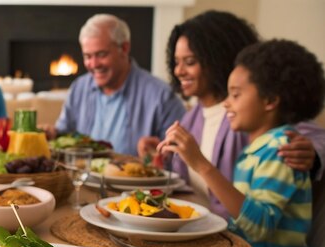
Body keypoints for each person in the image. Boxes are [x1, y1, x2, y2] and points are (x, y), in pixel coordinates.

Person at [158, 39, 325, 247]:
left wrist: (203, 165)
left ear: (270, 100)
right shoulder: (256, 150)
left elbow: (258, 226)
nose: (226, 102)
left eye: (235, 94)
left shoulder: (280, 150)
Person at [138, 11, 325, 219]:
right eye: (176, 62)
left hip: (239, 237)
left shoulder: (250, 113)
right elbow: (188, 183)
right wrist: (160, 158)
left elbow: (315, 136)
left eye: (189, 62)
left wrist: (312, 154)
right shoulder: (193, 117)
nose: (178, 71)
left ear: (218, 58)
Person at [41, 14, 185, 155]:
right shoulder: (79, 88)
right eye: (88, 56)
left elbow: (180, 158)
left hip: (135, 177)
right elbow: (64, 134)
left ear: (124, 48)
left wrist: (156, 156)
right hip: (81, 177)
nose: (94, 64)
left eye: (102, 54)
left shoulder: (162, 95)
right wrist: (53, 133)